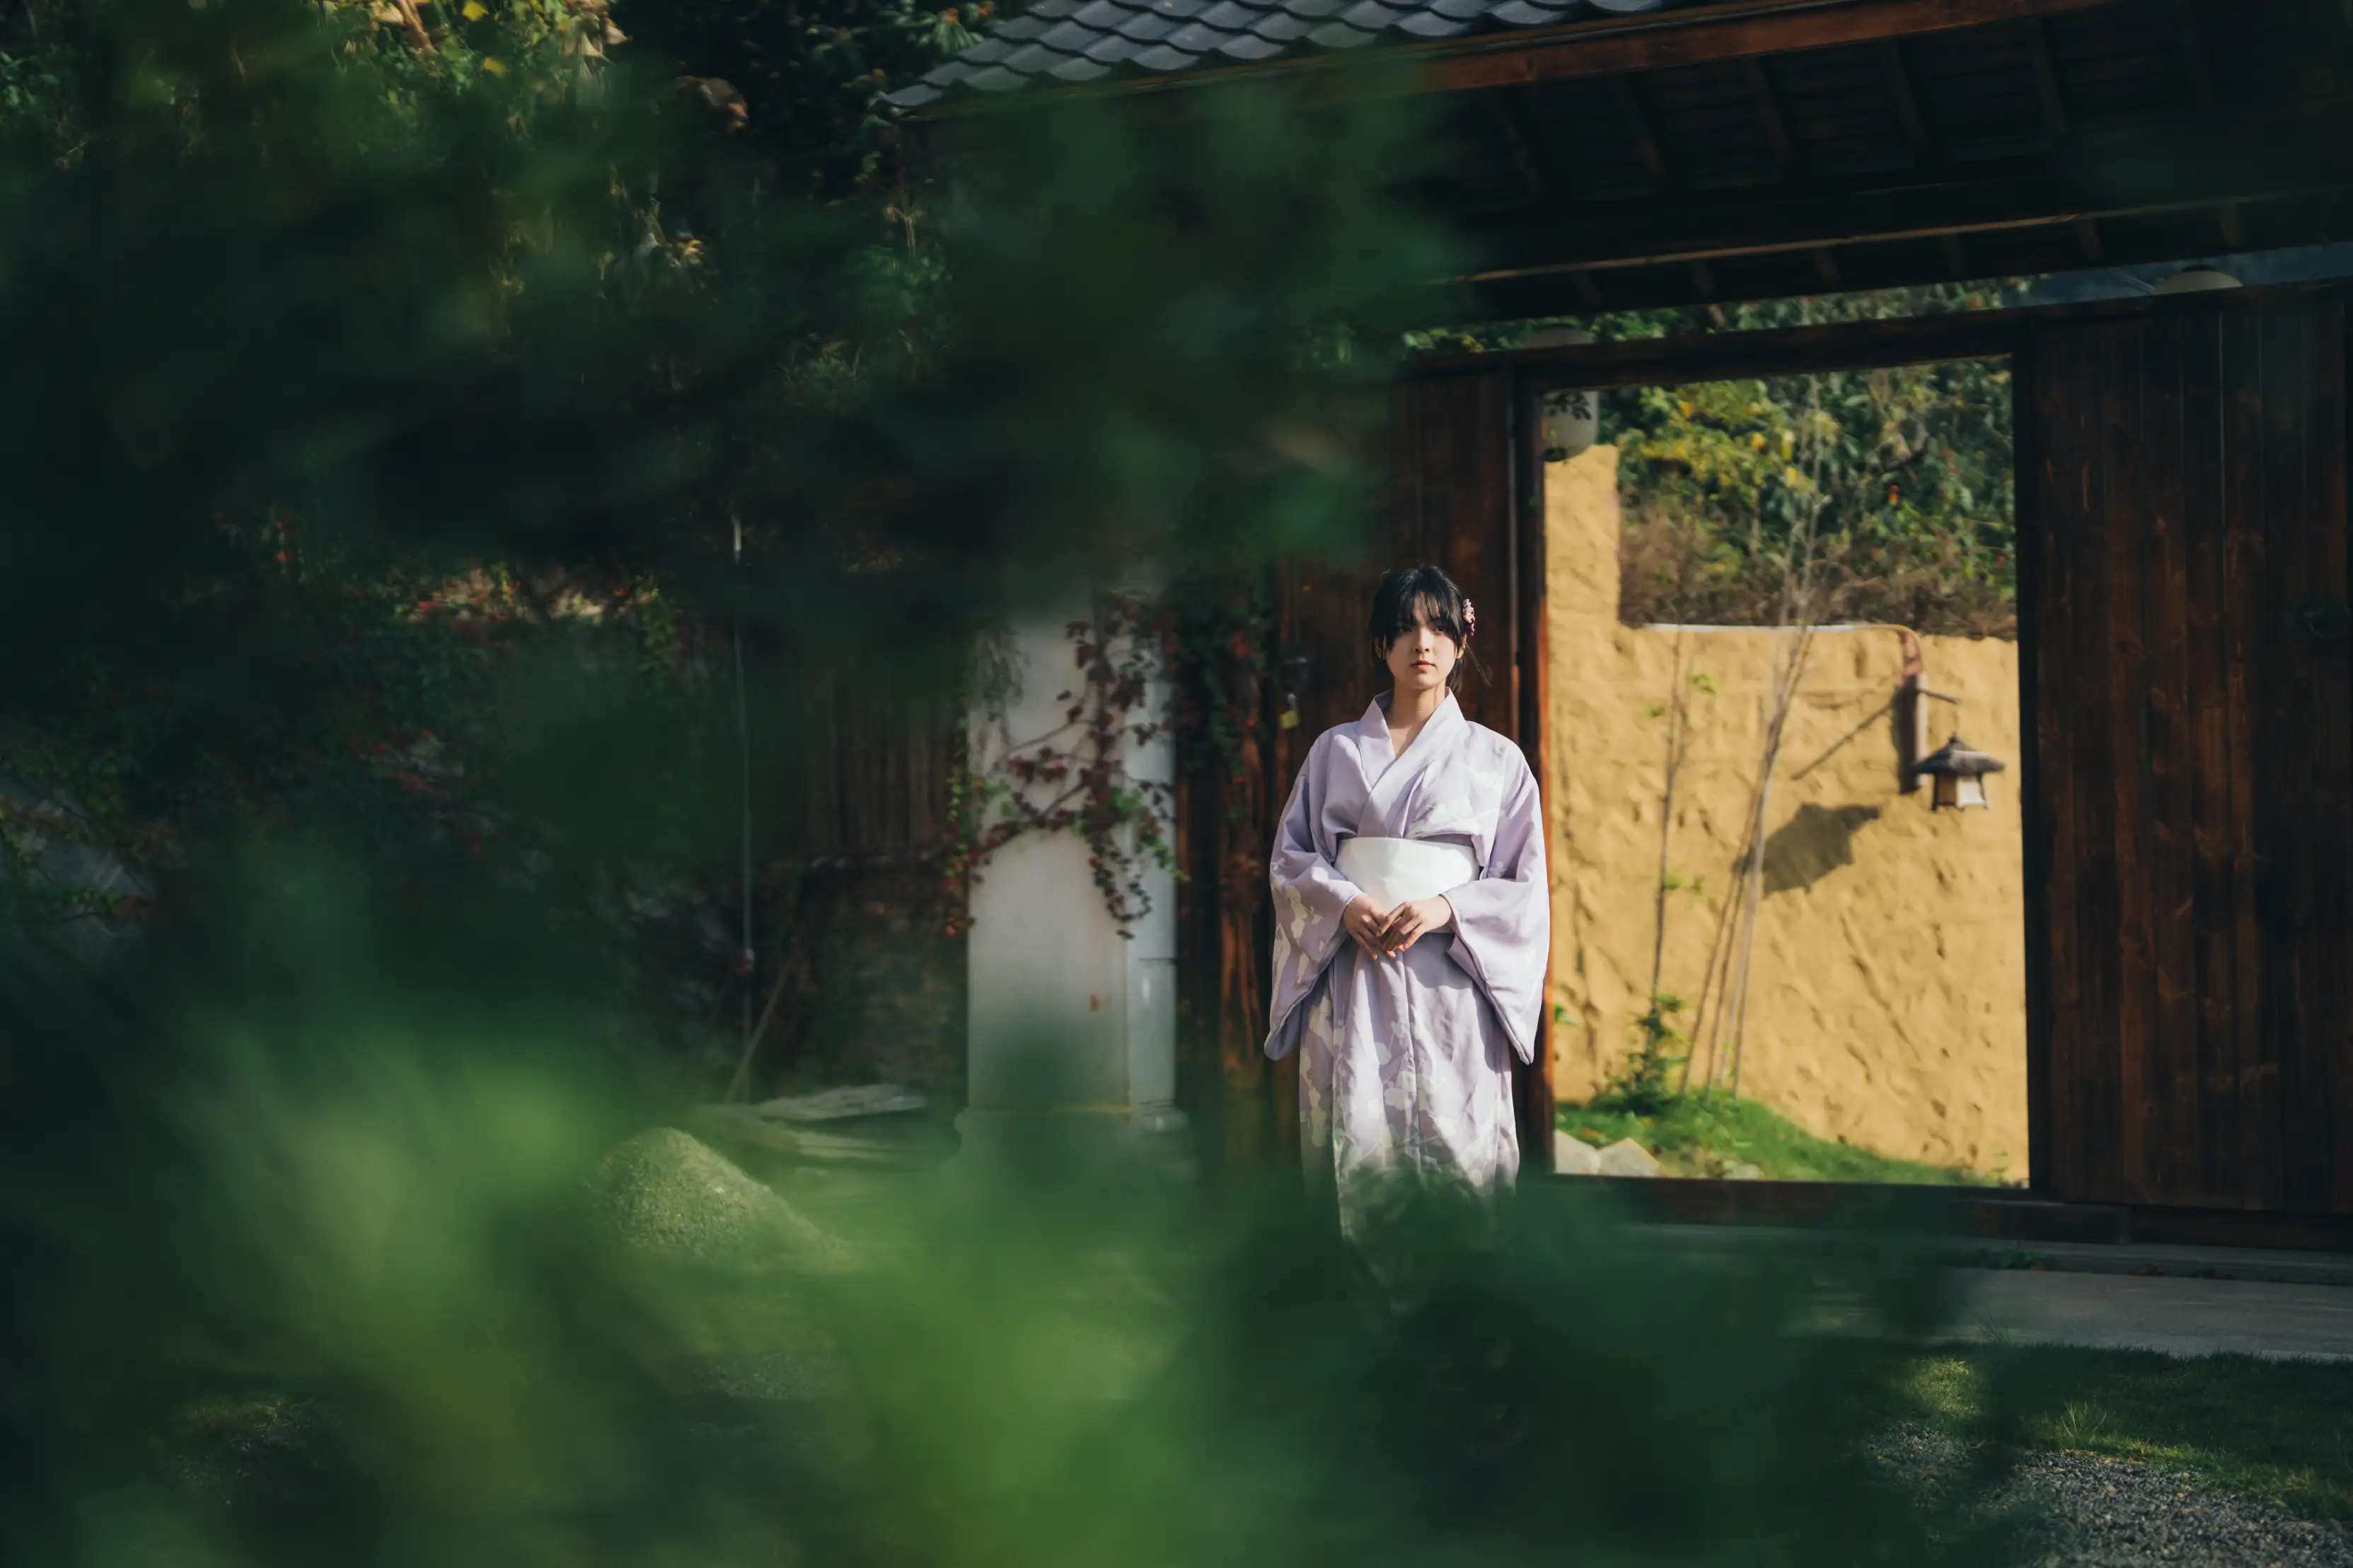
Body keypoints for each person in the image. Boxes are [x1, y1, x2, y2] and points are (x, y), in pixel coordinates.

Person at [1266, 564, 1549, 1258]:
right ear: (1379, 645)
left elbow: (1523, 886)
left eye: (1437, 627)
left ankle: (1462, 1318)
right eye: (1403, 628)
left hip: (1449, 980)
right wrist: (1345, 902)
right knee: (1356, 1143)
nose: (1421, 643)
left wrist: (1446, 907)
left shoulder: (1497, 762)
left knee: (1457, 1145)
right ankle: (1362, 1328)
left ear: (1460, 641)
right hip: (1354, 975)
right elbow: (1291, 861)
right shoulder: (1334, 752)